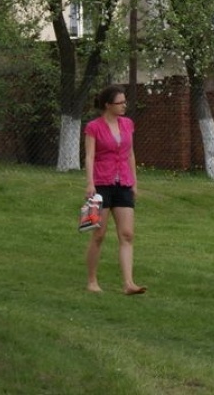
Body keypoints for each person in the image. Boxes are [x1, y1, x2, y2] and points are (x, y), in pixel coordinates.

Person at [84, 85, 146, 296]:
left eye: (124, 102)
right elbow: (90, 156)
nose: (124, 106)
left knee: (127, 234)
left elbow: (130, 154)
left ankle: (128, 283)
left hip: (123, 184)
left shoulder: (128, 124)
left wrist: (134, 182)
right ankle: (92, 280)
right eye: (119, 103)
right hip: (101, 183)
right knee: (98, 234)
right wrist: (89, 183)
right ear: (107, 105)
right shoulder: (94, 127)